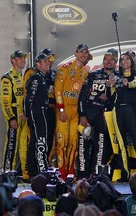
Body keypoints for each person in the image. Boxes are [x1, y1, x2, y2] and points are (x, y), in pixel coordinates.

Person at [77, 51, 119, 178]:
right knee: (83, 144)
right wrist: (82, 114)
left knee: (100, 145)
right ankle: (82, 175)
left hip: (104, 115)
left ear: (116, 62)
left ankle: (96, 174)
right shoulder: (93, 75)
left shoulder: (118, 76)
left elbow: (120, 97)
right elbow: (82, 96)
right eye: (106, 59)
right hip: (89, 113)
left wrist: (110, 96)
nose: (108, 62)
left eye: (111, 60)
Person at [106, 51, 136, 181]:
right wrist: (110, 85)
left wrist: (126, 83)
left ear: (131, 61)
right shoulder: (115, 76)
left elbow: (135, 84)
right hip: (117, 111)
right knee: (121, 144)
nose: (124, 61)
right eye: (122, 59)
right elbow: (111, 95)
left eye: (127, 59)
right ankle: (125, 174)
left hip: (131, 110)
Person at [54, 44, 90, 179]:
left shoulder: (85, 72)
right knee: (62, 142)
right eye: (81, 52)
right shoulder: (65, 68)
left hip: (76, 112)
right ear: (75, 53)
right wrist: (61, 108)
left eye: (86, 52)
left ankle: (70, 171)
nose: (83, 55)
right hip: (63, 110)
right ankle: (61, 172)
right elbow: (57, 89)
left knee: (74, 142)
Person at [0, 50, 28, 173]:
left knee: (24, 145)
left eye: (24, 58)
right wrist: (11, 118)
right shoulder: (7, 78)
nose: (23, 60)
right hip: (15, 114)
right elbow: (5, 101)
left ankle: (24, 173)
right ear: (13, 61)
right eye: (20, 58)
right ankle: (8, 173)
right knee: (12, 145)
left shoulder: (26, 76)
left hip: (25, 115)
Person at [24, 53, 52, 179]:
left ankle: (33, 172)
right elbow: (29, 98)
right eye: (45, 62)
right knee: (41, 141)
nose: (48, 64)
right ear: (38, 64)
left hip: (41, 112)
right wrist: (28, 114)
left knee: (35, 142)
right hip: (37, 113)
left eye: (48, 61)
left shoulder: (43, 78)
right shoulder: (36, 78)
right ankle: (43, 171)